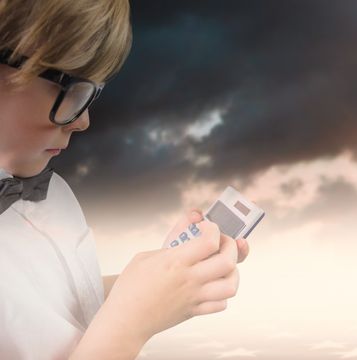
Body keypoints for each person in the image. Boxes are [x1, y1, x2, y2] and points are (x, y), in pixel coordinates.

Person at [0, 1, 251, 358]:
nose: (82, 122)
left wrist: (163, 282)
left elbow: (45, 309)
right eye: (71, 89)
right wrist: (131, 322)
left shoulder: (54, 194)